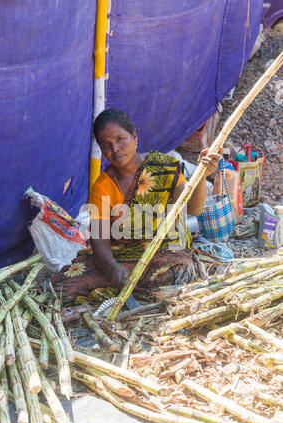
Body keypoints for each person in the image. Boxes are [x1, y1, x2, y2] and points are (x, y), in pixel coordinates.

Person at [51, 108, 221, 303]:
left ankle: (127, 288)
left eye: (120, 139)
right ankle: (131, 286)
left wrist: (202, 176)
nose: (114, 148)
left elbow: (193, 209)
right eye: (106, 144)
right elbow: (99, 239)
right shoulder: (102, 187)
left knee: (180, 269)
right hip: (123, 257)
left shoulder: (163, 167)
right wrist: (112, 268)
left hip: (164, 253)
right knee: (64, 286)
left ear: (134, 137)